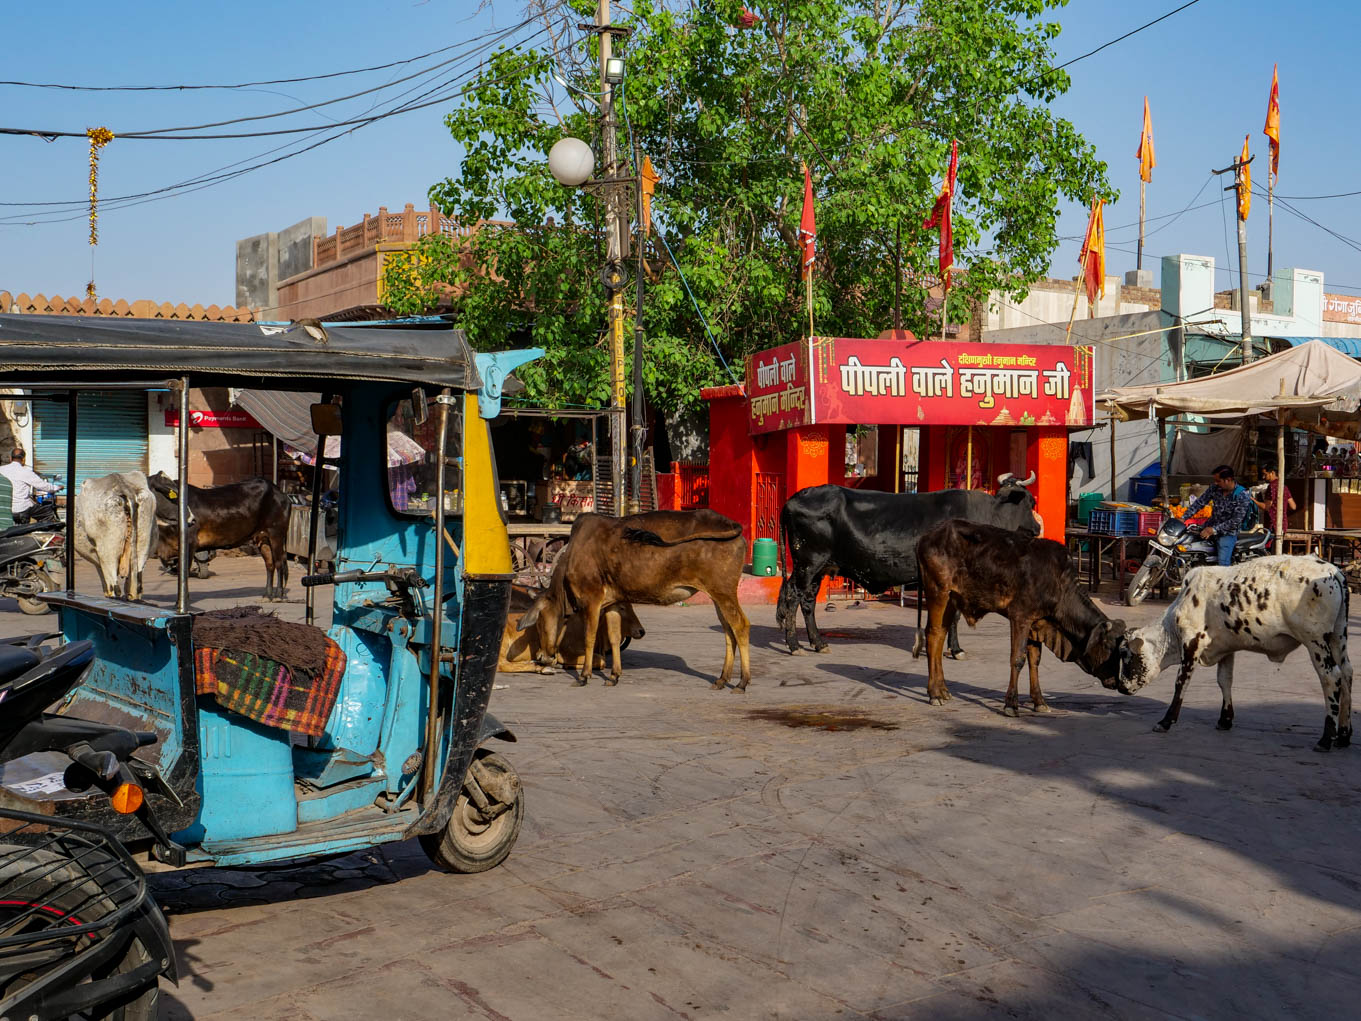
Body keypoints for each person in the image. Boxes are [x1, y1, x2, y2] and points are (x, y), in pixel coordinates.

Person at [1183, 464, 1254, 566]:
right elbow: (1200, 503)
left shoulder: (1242, 495)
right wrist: (1184, 517)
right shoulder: (1214, 489)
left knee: (1223, 564)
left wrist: (1213, 530)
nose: (1215, 483)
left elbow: (1235, 521)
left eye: (1218, 481)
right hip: (1208, 527)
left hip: (1227, 533)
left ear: (1228, 480)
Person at [0, 446, 61, 524]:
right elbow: (43, 486)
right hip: (20, 509)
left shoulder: (1, 470)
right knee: (47, 512)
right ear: (23, 460)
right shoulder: (26, 471)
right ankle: (45, 533)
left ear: (10, 459)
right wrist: (56, 487)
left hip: (4, 509)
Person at [1251, 467, 1296, 535]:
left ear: (1272, 473)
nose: (1263, 477)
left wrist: (1253, 500)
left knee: (1272, 544)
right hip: (1283, 524)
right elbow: (1293, 506)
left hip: (1272, 525)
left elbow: (1266, 507)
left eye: (1265, 474)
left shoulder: (1271, 486)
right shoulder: (1284, 486)